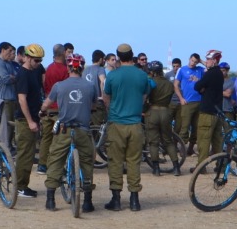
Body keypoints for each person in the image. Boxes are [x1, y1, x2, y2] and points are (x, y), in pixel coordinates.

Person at [43, 54, 98, 212]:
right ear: (82, 68)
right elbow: (93, 105)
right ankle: (87, 202)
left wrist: (41, 111)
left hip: (64, 129)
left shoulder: (59, 86)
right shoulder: (90, 86)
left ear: (68, 68)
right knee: (87, 161)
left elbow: (47, 104)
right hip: (83, 130)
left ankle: (50, 200)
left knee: (55, 160)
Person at [103, 43, 152, 210]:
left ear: (117, 57)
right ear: (132, 56)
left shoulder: (112, 75)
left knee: (115, 161)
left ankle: (116, 200)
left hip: (117, 123)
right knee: (134, 161)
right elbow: (145, 95)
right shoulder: (142, 75)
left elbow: (106, 97)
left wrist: (112, 110)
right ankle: (134, 200)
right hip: (136, 123)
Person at [12, 44, 46, 197]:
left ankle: (23, 184)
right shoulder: (23, 74)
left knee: (30, 154)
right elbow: (22, 100)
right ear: (27, 57)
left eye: (40, 61)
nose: (38, 63)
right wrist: (30, 121)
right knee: (25, 154)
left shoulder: (35, 71)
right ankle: (19, 186)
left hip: (34, 117)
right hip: (25, 120)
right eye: (36, 60)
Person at [37, 48, 71, 173]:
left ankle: (42, 164)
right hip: (59, 108)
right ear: (62, 54)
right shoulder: (64, 69)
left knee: (46, 137)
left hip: (48, 106)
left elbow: (45, 85)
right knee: (59, 139)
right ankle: (56, 166)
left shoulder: (49, 68)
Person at [144, 61, 178, 174]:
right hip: (165, 112)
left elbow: (145, 98)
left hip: (152, 112)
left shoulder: (151, 83)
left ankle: (156, 169)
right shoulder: (169, 84)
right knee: (168, 141)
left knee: (153, 142)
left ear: (153, 72)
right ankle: (176, 167)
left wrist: (143, 110)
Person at [193, 51, 226, 162]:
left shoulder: (210, 73)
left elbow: (197, 86)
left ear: (214, 60)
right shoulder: (219, 73)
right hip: (217, 111)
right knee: (217, 141)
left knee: (203, 140)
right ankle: (221, 165)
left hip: (207, 112)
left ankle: (201, 166)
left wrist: (203, 88)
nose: (206, 61)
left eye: (208, 59)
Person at [174, 53, 205, 156]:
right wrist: (181, 98)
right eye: (192, 61)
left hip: (199, 101)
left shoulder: (200, 70)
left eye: (195, 62)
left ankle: (191, 148)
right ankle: (182, 148)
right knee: (184, 126)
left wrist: (201, 61)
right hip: (187, 102)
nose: (193, 63)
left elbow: (211, 69)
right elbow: (176, 85)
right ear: (189, 59)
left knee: (196, 127)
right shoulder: (182, 70)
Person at [0, 42, 19, 148]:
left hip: (12, 97)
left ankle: (9, 146)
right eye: (9, 51)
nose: (11, 53)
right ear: (2, 50)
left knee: (12, 125)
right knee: (6, 125)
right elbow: (6, 79)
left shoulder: (9, 63)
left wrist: (13, 77)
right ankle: (5, 147)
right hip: (4, 98)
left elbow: (16, 76)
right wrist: (12, 77)